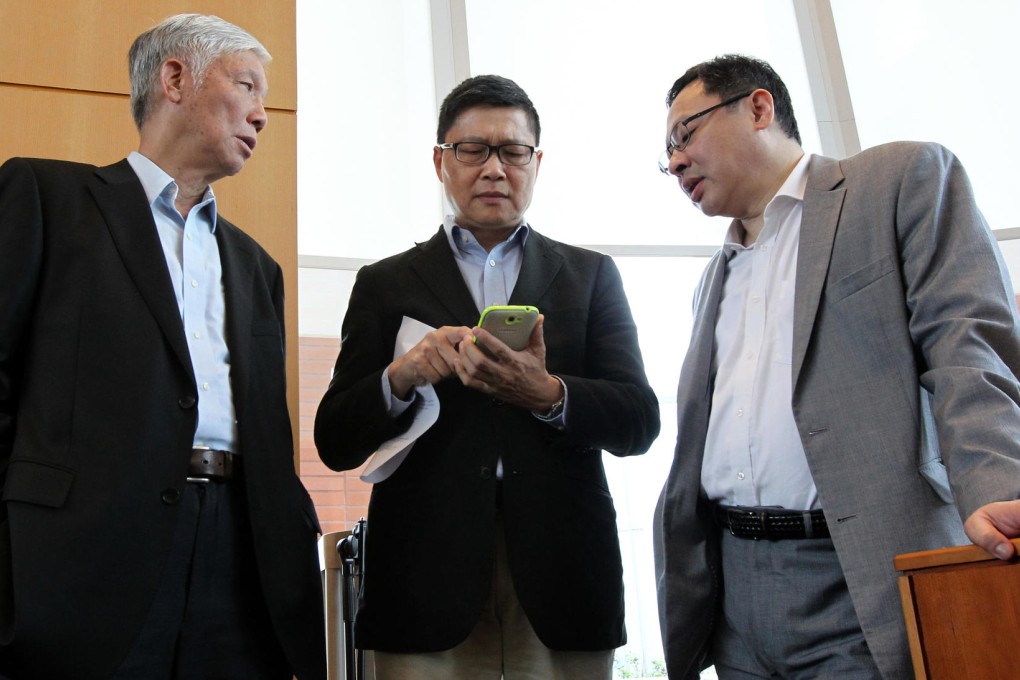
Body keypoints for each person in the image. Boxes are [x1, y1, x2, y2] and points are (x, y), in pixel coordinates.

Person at [652, 53, 1020, 680]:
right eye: (667, 157)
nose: (676, 161)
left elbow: (967, 343)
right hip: (735, 590)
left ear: (759, 108)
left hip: (857, 571)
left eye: (684, 134)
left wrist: (998, 485)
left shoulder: (897, 181)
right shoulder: (713, 278)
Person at [0, 14, 325, 680]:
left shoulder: (257, 266)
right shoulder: (45, 198)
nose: (263, 115)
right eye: (246, 86)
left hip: (242, 561)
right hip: (80, 563)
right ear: (175, 77)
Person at [314, 74, 660, 679]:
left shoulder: (591, 275)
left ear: (536, 161)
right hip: (424, 573)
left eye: (512, 151)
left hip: (561, 569)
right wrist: (400, 377)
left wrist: (550, 395)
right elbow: (334, 439)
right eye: (472, 150)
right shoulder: (385, 283)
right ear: (440, 161)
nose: (494, 168)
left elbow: (639, 421)